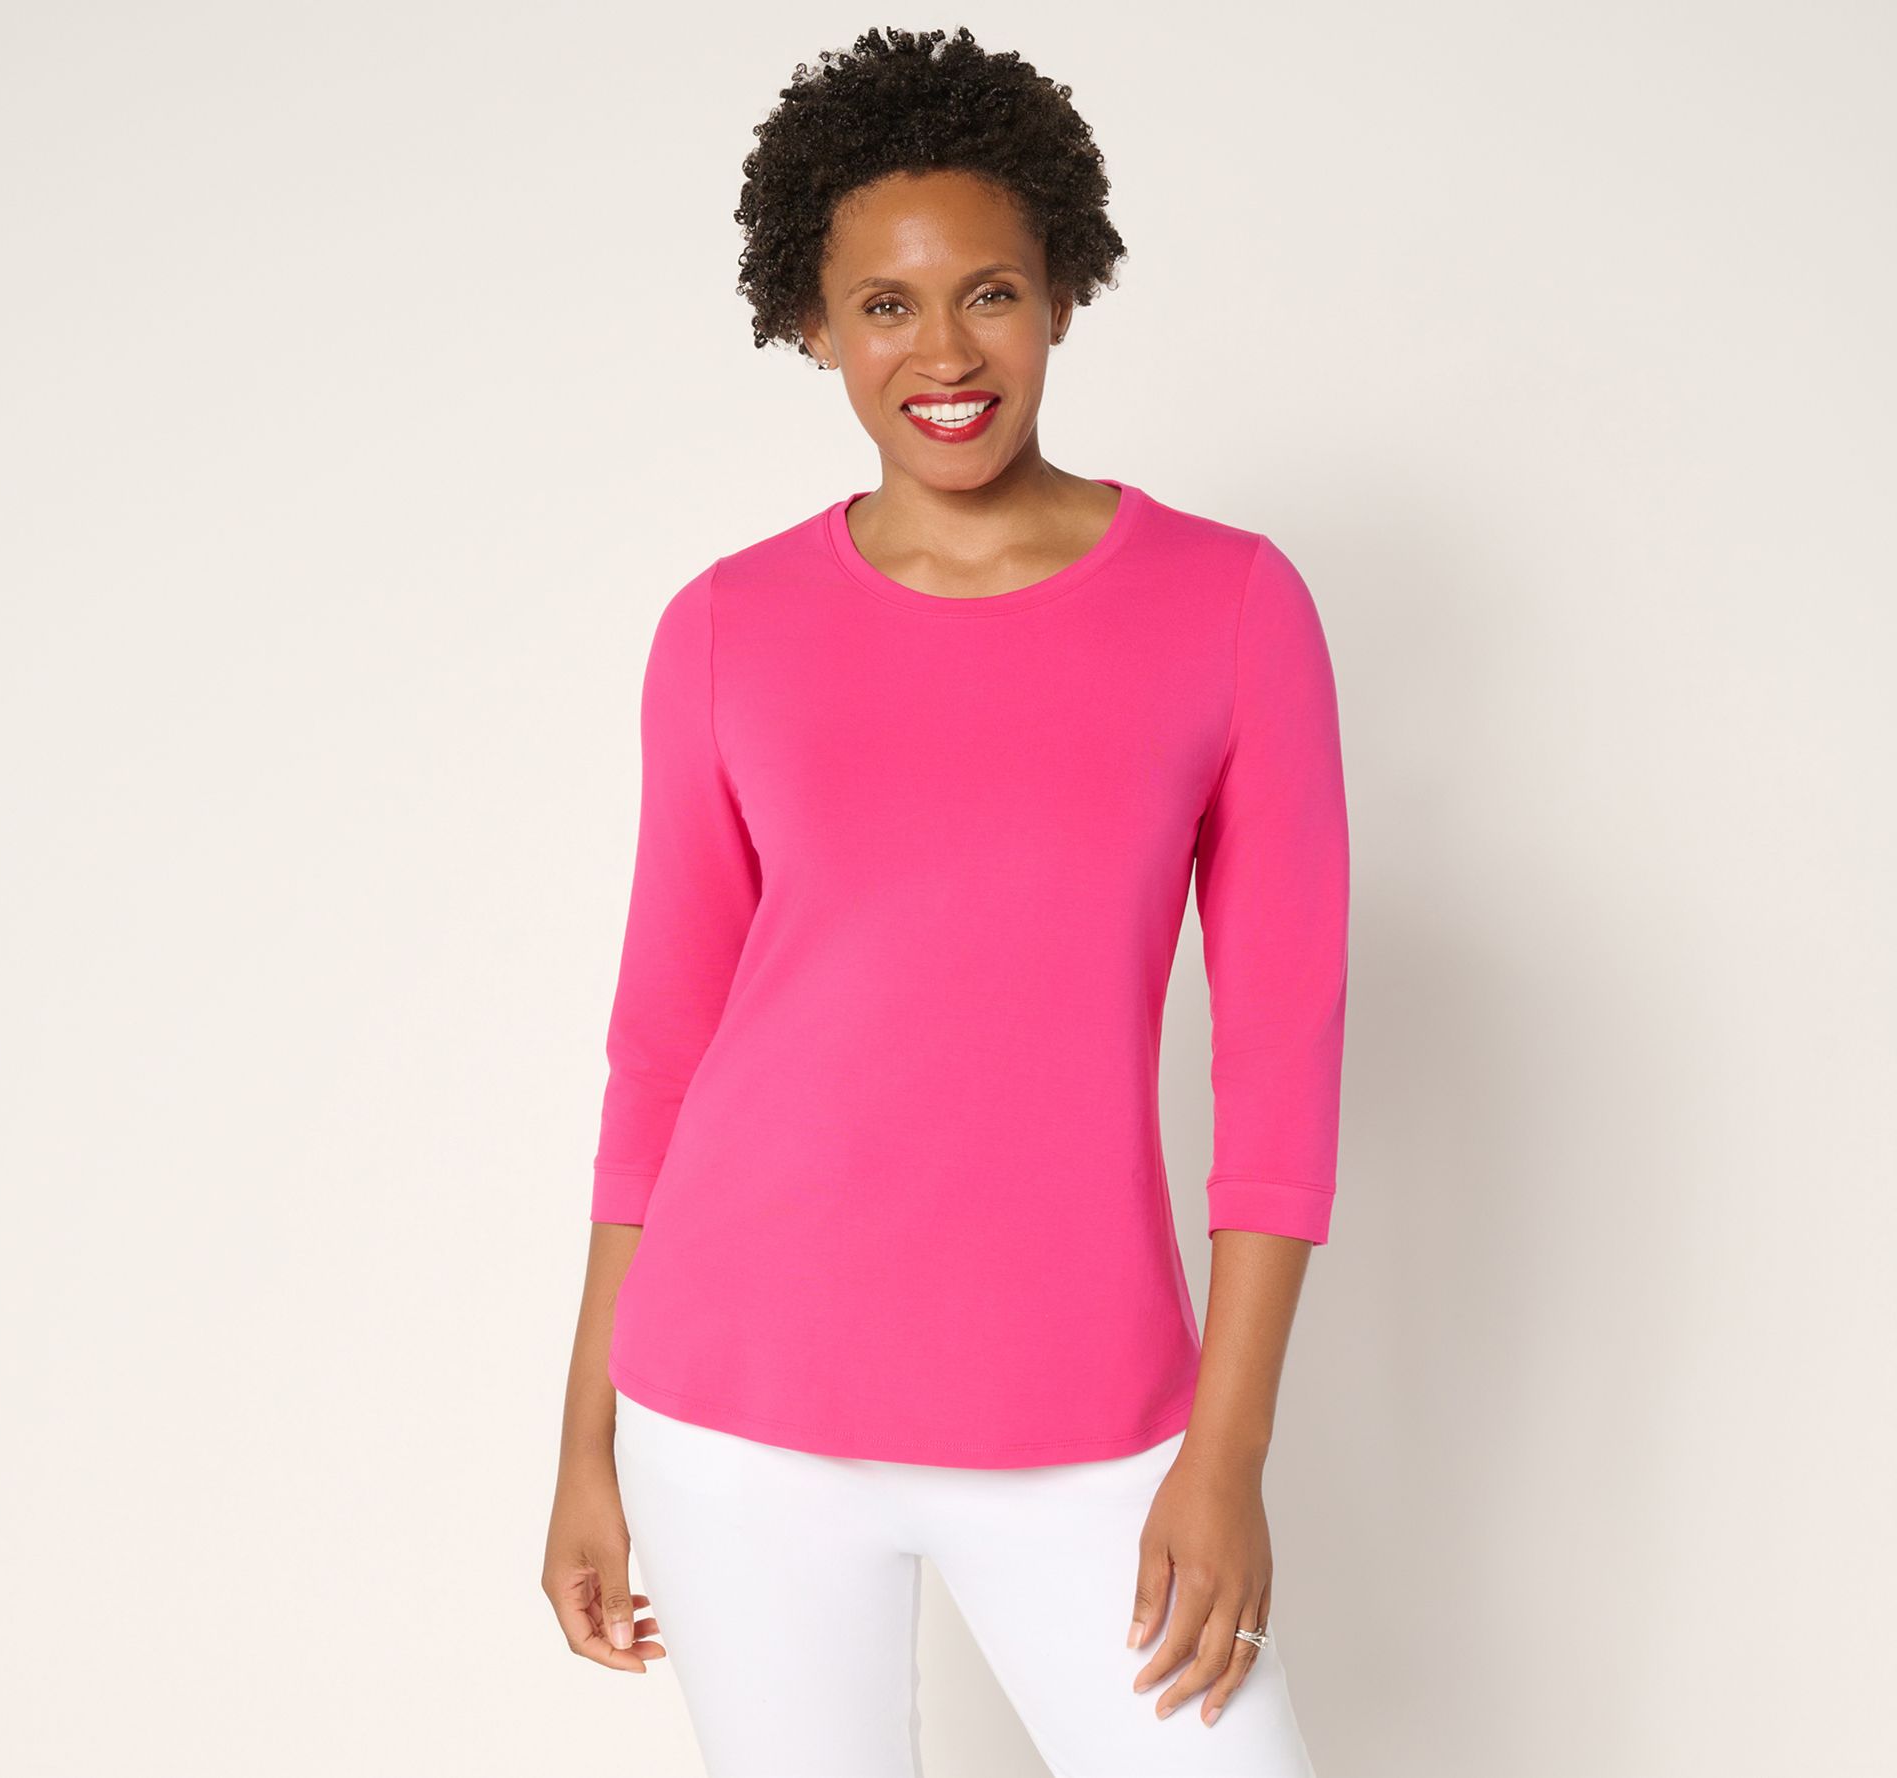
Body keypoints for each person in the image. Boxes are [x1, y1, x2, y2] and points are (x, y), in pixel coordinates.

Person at [543, 25, 1349, 1778]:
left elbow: (1283, 1072)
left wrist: (1223, 1457)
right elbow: (661, 1055)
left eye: (988, 291)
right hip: (735, 1409)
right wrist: (585, 1440)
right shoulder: (726, 630)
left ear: (1061, 288)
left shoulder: (1230, 607)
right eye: (884, 306)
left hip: (1092, 1417)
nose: (944, 352)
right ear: (812, 323)